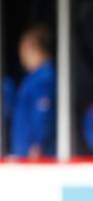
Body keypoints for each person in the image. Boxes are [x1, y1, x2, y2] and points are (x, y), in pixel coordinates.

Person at [10, 25, 56, 159]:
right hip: (25, 153)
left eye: (23, 49)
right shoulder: (33, 78)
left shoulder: (44, 77)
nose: (21, 56)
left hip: (35, 155)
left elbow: (43, 112)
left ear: (32, 48)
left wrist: (38, 143)